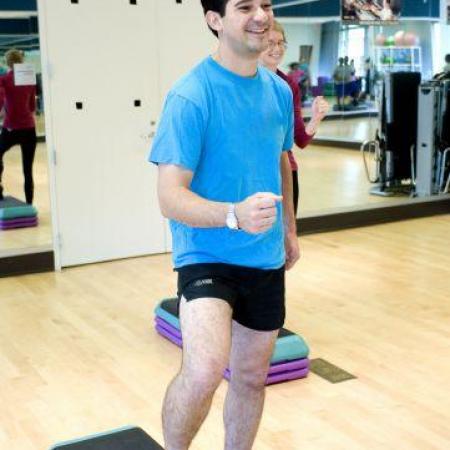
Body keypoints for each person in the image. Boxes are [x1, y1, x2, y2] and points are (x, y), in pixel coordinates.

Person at [149, 1, 299, 449]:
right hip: (206, 253)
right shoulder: (191, 95)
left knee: (252, 377)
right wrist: (233, 214)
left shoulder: (279, 92)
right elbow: (169, 197)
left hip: (264, 255)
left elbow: (281, 161)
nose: (260, 15)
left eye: (266, 5)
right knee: (204, 370)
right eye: (244, 6)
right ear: (215, 21)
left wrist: (290, 227)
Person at [259, 20, 328, 215]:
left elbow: (301, 140)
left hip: (286, 173)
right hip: (256, 173)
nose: (277, 49)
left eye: (281, 43)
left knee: (286, 237)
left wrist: (315, 118)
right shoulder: (244, 83)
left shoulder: (289, 85)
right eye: (270, 43)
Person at [0, 49, 37, 204]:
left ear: (7, 63)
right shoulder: (29, 80)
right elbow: (32, 106)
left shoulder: (3, 80)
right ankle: (29, 203)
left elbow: (0, 100)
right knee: (27, 170)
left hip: (11, 129)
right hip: (29, 129)